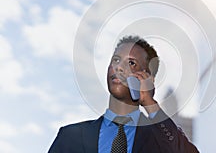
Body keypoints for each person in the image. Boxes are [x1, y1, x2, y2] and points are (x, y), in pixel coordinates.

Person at [48, 35, 199, 153]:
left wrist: (149, 103)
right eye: (116, 60)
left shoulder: (161, 139)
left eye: (131, 63)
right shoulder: (69, 137)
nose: (119, 67)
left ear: (148, 79)